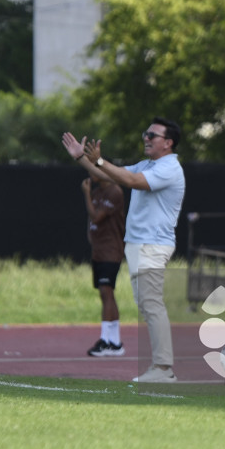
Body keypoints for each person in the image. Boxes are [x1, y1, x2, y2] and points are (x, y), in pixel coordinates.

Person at [62, 117, 186, 383]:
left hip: (152, 244)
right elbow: (105, 174)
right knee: (147, 304)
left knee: (152, 305)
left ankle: (164, 369)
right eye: (146, 133)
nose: (146, 138)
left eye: (153, 135)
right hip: (140, 244)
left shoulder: (169, 168)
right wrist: (81, 158)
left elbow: (130, 180)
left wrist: (99, 160)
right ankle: (162, 367)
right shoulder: (148, 165)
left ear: (168, 143)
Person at [81, 172, 126, 357]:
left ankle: (105, 340)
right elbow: (91, 221)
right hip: (99, 250)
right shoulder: (98, 192)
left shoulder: (114, 192)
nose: (90, 175)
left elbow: (96, 216)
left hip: (111, 249)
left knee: (105, 291)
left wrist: (86, 193)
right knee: (107, 293)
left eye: (93, 170)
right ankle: (115, 342)